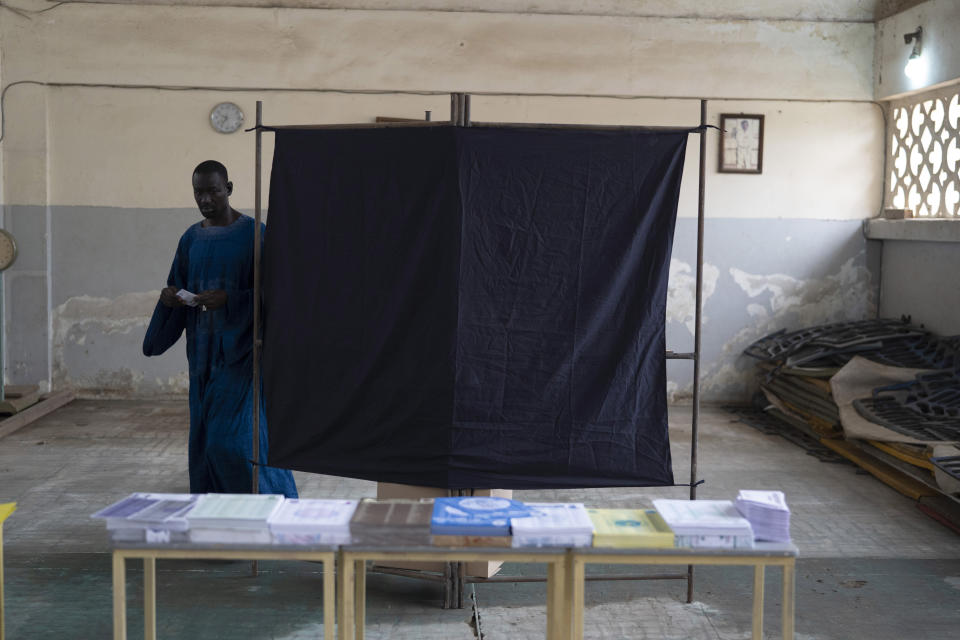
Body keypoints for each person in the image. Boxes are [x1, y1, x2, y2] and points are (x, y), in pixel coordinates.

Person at [143, 160, 298, 497]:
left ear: (228, 189)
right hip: (201, 357)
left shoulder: (255, 235)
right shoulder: (191, 239)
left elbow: (279, 292)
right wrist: (171, 297)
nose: (206, 199)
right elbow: (177, 284)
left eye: (213, 190)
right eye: (199, 192)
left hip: (243, 355)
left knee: (232, 442)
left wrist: (231, 299)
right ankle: (217, 513)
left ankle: (271, 506)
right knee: (204, 442)